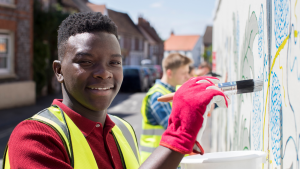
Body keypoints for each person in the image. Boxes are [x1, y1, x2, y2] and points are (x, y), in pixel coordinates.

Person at [3, 12, 229, 169]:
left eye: (115, 62)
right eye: (86, 61)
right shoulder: (35, 138)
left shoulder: (123, 129)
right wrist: (179, 135)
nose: (105, 73)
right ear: (59, 70)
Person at [140, 53, 192, 163]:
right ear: (169, 73)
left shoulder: (175, 91)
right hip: (157, 162)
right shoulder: (158, 96)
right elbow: (178, 130)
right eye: (184, 73)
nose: (188, 76)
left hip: (168, 160)